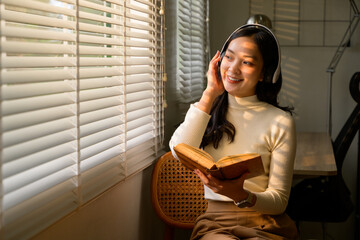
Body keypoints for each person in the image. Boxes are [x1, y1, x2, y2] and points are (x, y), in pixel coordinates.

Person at [169, 24, 298, 240]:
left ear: (263, 73)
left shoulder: (280, 121)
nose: (233, 69)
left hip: (265, 224)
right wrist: (210, 93)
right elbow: (178, 151)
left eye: (247, 62)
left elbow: (279, 201)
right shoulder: (206, 109)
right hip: (216, 224)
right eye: (229, 57)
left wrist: (241, 195)